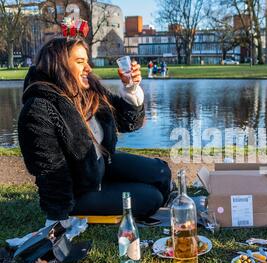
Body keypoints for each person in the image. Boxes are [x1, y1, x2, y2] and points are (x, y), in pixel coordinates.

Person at [18, 37, 172, 228]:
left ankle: (156, 198)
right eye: (80, 62)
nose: (88, 68)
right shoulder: (38, 109)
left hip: (99, 165)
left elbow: (128, 123)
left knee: (161, 171)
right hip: (79, 191)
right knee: (151, 197)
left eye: (87, 61)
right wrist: (57, 220)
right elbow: (51, 173)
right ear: (58, 65)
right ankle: (141, 200)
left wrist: (130, 87)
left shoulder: (87, 92)